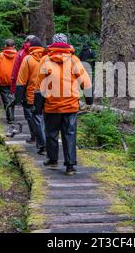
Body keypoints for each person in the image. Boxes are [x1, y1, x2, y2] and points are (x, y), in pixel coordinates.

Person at [35, 33, 93, 176]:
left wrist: (38, 106)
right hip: (70, 105)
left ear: (53, 44)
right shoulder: (74, 60)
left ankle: (53, 159)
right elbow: (85, 81)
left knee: (51, 134)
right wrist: (89, 99)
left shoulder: (45, 60)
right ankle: (70, 166)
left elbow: (39, 85)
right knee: (70, 134)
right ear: (67, 44)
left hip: (52, 105)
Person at [15, 37, 47, 155]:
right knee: (45, 119)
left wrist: (18, 99)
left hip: (33, 95)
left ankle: (42, 144)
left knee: (37, 119)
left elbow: (21, 81)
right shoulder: (47, 58)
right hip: (48, 94)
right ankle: (46, 143)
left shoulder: (28, 59)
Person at [10, 35, 35, 143]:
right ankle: (42, 136)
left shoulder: (21, 53)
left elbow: (15, 72)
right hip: (40, 87)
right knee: (40, 113)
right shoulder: (42, 52)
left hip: (25, 87)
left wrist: (14, 89)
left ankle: (34, 136)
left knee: (29, 113)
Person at [0, 39, 17, 129]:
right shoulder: (18, 55)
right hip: (15, 81)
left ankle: (10, 117)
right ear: (14, 46)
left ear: (5, 46)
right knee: (12, 97)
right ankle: (11, 115)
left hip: (3, 81)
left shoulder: (1, 55)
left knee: (6, 100)